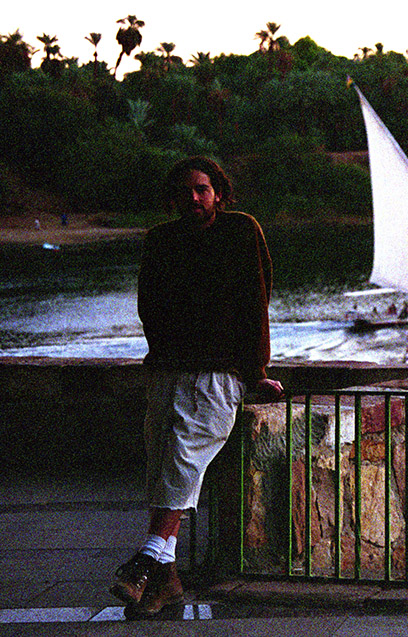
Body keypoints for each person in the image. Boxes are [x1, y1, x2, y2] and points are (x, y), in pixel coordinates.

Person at [111, 156, 283, 618]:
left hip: (218, 373)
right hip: (168, 370)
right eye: (186, 191)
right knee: (163, 467)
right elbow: (150, 304)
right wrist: (162, 352)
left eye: (203, 189)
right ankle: (165, 583)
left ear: (218, 193)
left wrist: (256, 371)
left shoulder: (241, 231)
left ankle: (146, 559)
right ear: (174, 197)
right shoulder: (160, 239)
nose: (194, 198)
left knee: (184, 461)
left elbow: (256, 301)